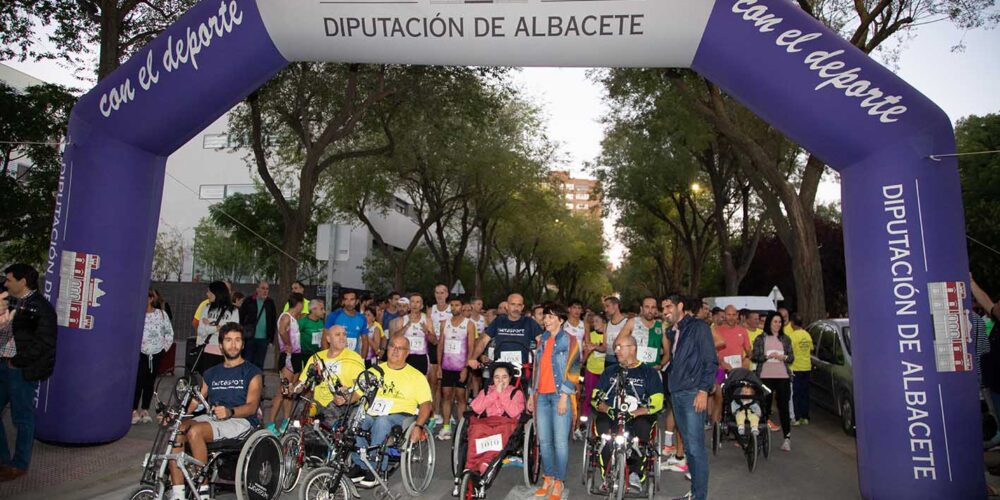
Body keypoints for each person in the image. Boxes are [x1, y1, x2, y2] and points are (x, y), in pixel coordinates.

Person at [167, 323, 262, 500]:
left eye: (237, 340)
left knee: (195, 431)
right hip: (213, 419)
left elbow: (252, 406)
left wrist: (230, 412)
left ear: (242, 345)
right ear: (220, 345)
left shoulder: (252, 372)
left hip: (240, 421)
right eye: (228, 340)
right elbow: (195, 402)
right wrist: (175, 414)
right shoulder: (211, 373)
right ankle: (178, 493)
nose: (233, 345)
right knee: (177, 428)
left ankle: (202, 492)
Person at [349, 336, 433, 488]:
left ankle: (376, 469)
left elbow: (426, 405)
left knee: (382, 421)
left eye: (400, 348)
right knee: (355, 417)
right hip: (372, 412)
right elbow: (357, 394)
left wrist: (419, 426)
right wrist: (344, 397)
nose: (395, 350)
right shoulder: (374, 371)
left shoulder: (416, 376)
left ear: (407, 353)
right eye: (392, 346)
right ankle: (360, 464)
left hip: (401, 416)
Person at [0, 264, 57, 481]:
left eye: (10, 280)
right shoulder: (9, 301)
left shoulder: (41, 308)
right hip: (3, 366)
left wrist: (18, 361)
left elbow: (45, 342)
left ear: (23, 282)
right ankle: (4, 460)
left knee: (22, 418)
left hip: (20, 370)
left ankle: (19, 464)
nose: (6, 283)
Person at [662, 294, 716, 500]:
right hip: (677, 393)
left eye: (668, 306)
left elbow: (710, 361)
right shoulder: (673, 331)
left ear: (680, 306)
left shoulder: (698, 328)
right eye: (663, 307)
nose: (664, 310)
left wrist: (703, 390)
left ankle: (699, 496)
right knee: (688, 446)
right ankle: (695, 493)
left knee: (695, 448)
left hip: (693, 393)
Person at [593, 335, 663, 492]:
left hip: (638, 414)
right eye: (616, 347)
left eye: (620, 347)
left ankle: (635, 475)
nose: (616, 351)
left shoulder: (649, 372)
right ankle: (608, 475)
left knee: (642, 428)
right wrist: (607, 409)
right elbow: (595, 396)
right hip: (612, 413)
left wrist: (637, 412)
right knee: (603, 429)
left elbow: (657, 401)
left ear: (633, 349)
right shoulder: (610, 371)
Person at [528, 303, 580, 500]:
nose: (545, 320)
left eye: (550, 317)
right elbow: (536, 371)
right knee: (544, 441)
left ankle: (559, 481)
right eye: (544, 317)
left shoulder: (570, 341)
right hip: (541, 396)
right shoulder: (541, 341)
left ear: (560, 320)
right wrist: (531, 395)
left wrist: (564, 397)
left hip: (560, 396)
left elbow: (574, 370)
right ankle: (548, 477)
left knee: (560, 442)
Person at [294, 324, 366, 426]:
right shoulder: (316, 357)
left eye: (344, 335)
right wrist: (291, 388)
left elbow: (360, 388)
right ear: (328, 339)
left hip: (339, 403)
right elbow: (302, 383)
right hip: (316, 402)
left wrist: (346, 399)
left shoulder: (354, 358)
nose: (342, 338)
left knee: (332, 411)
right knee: (301, 407)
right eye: (338, 335)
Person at [751, 311, 795, 452]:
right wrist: (767, 356)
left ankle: (786, 438)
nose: (777, 324)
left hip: (783, 377)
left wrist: (783, 357)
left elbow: (791, 357)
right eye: (775, 322)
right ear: (769, 323)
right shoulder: (761, 338)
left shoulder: (785, 339)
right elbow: (755, 356)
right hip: (765, 377)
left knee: (784, 408)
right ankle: (761, 436)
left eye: (780, 322)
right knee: (764, 407)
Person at [469, 293, 542, 374]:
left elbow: (542, 341)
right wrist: (473, 358)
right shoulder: (499, 321)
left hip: (522, 370)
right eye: (513, 304)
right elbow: (483, 341)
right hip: (499, 369)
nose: (516, 308)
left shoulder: (529, 322)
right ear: (507, 306)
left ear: (522, 307)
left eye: (519, 305)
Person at [267, 292, 306, 433]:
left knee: (290, 391)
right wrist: (287, 343)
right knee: (282, 391)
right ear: (299, 304)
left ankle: (286, 420)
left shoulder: (294, 318)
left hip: (296, 356)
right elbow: (282, 331)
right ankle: (270, 423)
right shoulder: (285, 317)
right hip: (288, 357)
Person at [134, 288, 174, 424]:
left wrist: (163, 349)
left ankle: (145, 409)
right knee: (138, 381)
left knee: (150, 382)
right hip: (140, 353)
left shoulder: (161, 314)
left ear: (151, 299)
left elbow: (169, 332)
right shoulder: (137, 314)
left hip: (156, 353)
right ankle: (133, 410)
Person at [437, 297, 475, 440]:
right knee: (446, 395)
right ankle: (446, 427)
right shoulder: (444, 324)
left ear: (462, 306)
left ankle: (461, 428)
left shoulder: (469, 324)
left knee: (460, 396)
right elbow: (440, 345)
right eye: (452, 305)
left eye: (457, 305)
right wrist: (439, 366)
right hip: (447, 366)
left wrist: (466, 368)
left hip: (461, 367)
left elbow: (471, 348)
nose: (454, 308)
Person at [713, 305, 751, 424]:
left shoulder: (742, 331)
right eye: (728, 315)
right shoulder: (717, 330)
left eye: (734, 315)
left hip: (737, 370)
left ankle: (739, 428)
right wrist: (721, 362)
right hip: (720, 370)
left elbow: (749, 351)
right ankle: (715, 430)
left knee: (739, 398)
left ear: (737, 315)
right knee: (719, 398)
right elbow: (711, 351)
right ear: (725, 315)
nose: (731, 317)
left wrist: (746, 359)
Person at [196, 281, 239, 373]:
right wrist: (216, 328)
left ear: (216, 293)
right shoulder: (206, 308)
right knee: (207, 382)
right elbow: (200, 331)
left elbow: (232, 332)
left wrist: (209, 325)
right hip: (207, 351)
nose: (207, 294)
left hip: (225, 353)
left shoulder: (233, 311)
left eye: (209, 291)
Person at [389, 293, 436, 374]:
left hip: (421, 357)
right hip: (405, 356)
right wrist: (407, 326)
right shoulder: (402, 320)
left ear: (421, 305)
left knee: (421, 383)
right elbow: (394, 338)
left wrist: (427, 332)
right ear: (409, 305)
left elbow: (434, 341)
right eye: (413, 302)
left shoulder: (427, 320)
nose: (415, 304)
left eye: (418, 302)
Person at [238, 281, 276, 370]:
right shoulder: (249, 301)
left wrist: (271, 339)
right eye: (263, 288)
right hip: (249, 338)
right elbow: (241, 318)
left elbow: (273, 320)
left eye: (267, 289)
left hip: (263, 339)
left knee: (259, 364)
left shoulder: (270, 302)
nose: (265, 291)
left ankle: (257, 382)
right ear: (257, 289)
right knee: (247, 362)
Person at [428, 284, 451, 426]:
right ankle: (435, 412)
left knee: (447, 384)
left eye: (442, 292)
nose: (439, 295)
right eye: (437, 293)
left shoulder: (451, 310)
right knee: (434, 381)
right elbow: (429, 330)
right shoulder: (431, 310)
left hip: (449, 348)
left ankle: (447, 414)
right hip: (434, 346)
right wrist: (433, 338)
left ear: (447, 294)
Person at [580, 313, 606, 438]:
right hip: (591, 370)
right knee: (589, 396)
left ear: (604, 323)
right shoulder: (590, 335)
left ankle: (602, 426)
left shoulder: (608, 336)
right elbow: (586, 348)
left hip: (604, 372)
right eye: (593, 321)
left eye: (597, 321)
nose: (594, 324)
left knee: (603, 399)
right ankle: (583, 424)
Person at [786, 314, 813, 426]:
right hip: (807, 367)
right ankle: (805, 417)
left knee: (796, 394)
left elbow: (789, 352)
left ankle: (797, 418)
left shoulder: (792, 336)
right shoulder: (807, 335)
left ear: (792, 323)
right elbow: (811, 349)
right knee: (805, 393)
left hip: (796, 368)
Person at [325, 290, 369, 358]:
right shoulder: (334, 316)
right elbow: (325, 338)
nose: (349, 302)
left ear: (357, 301)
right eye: (346, 299)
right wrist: (326, 359)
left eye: (352, 299)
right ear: (343, 301)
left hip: (353, 358)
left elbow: (365, 341)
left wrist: (362, 360)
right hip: (336, 358)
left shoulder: (362, 318)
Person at [601, 296, 633, 371]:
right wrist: (594, 347)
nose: (605, 310)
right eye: (605, 307)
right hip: (608, 361)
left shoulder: (627, 323)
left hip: (622, 361)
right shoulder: (606, 325)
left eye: (607, 306)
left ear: (616, 306)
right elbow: (604, 347)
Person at [298, 298, 326, 362]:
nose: (324, 312)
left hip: (318, 354)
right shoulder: (303, 322)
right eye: (321, 309)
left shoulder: (321, 322)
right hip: (305, 355)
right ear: (313, 309)